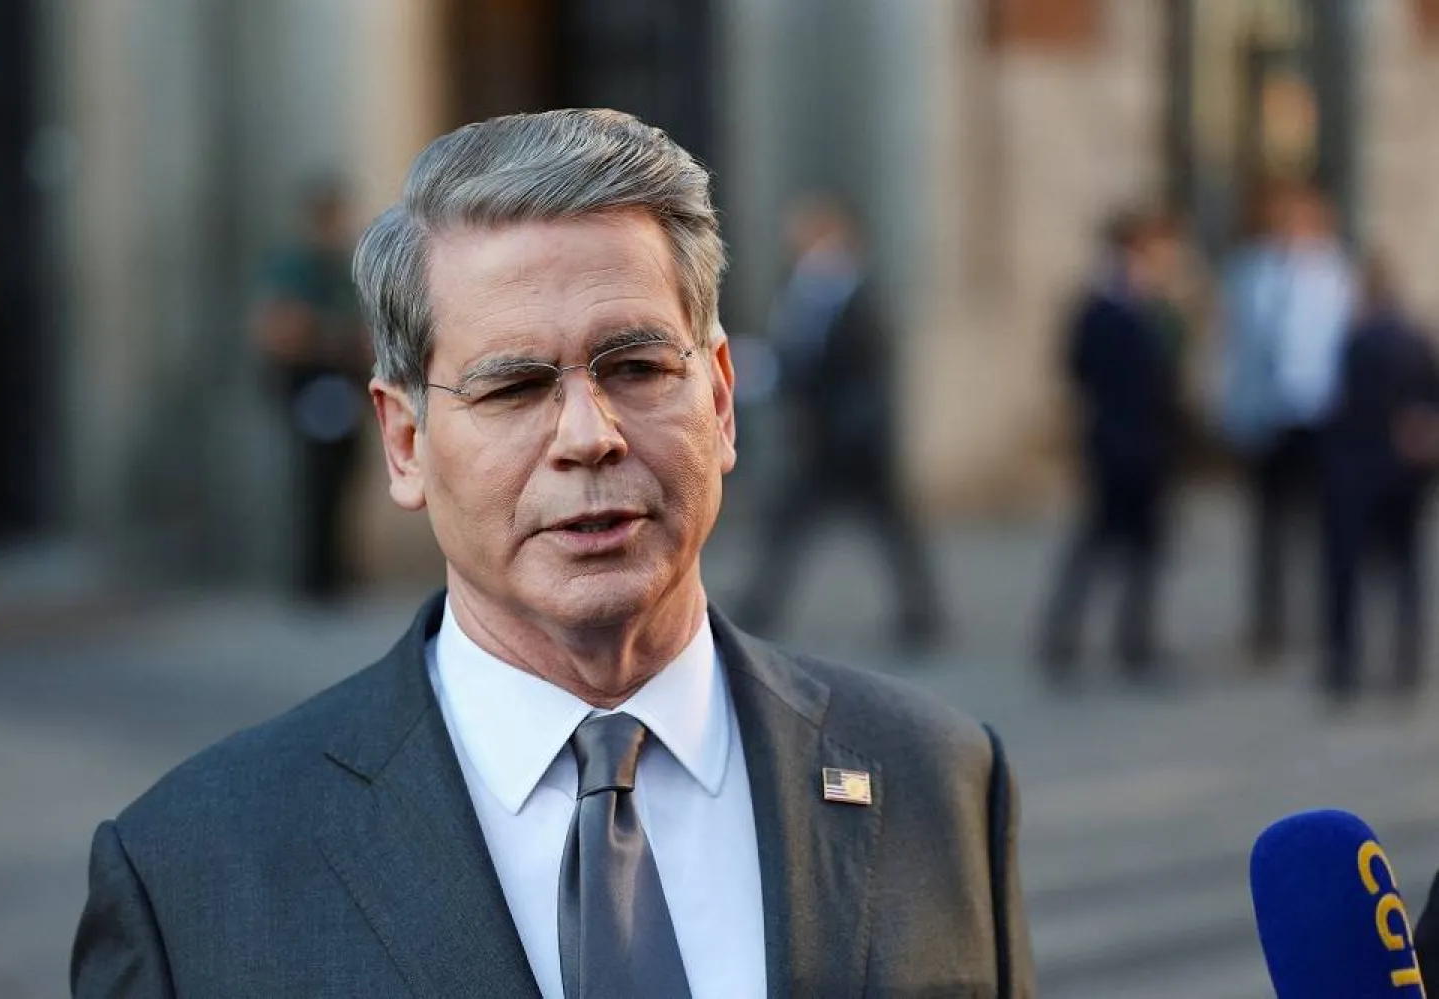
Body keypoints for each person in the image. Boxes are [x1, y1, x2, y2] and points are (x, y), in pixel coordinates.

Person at [71, 110, 1036, 998]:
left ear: (722, 399)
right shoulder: (191, 874)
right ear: (404, 442)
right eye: (513, 389)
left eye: (638, 367)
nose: (589, 433)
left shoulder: (939, 782)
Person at [733, 193, 945, 650]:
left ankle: (922, 613)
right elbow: (799, 358)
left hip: (857, 444)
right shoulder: (801, 290)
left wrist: (860, 427)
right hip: (821, 439)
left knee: (889, 529)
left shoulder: (854, 293)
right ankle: (759, 604)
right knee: (792, 523)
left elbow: (869, 371)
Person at [1038, 209, 1183, 681]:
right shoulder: (1104, 305)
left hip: (1149, 441)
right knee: (1098, 543)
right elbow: (1080, 366)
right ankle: (1064, 637)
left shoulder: (1153, 304)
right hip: (1117, 441)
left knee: (1141, 549)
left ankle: (1133, 641)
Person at [1218, 183, 1357, 663]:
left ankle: (1326, 619)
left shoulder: (1334, 273)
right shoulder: (1251, 271)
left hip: (1317, 412)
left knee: (1322, 525)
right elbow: (1235, 344)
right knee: (1268, 526)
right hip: (1265, 413)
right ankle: (1268, 623)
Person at [1318, 255, 1439, 705]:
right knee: (1405, 572)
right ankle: (1405, 663)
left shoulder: (1354, 342)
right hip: (1403, 475)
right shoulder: (1416, 340)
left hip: (1357, 472)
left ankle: (1344, 664)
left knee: (1347, 574)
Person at [251, 176, 372, 602]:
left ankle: (338, 568)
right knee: (316, 477)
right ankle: (315, 576)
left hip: (345, 382)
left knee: (345, 473)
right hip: (314, 382)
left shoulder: (344, 263)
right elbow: (283, 329)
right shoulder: (296, 266)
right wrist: (333, 339)